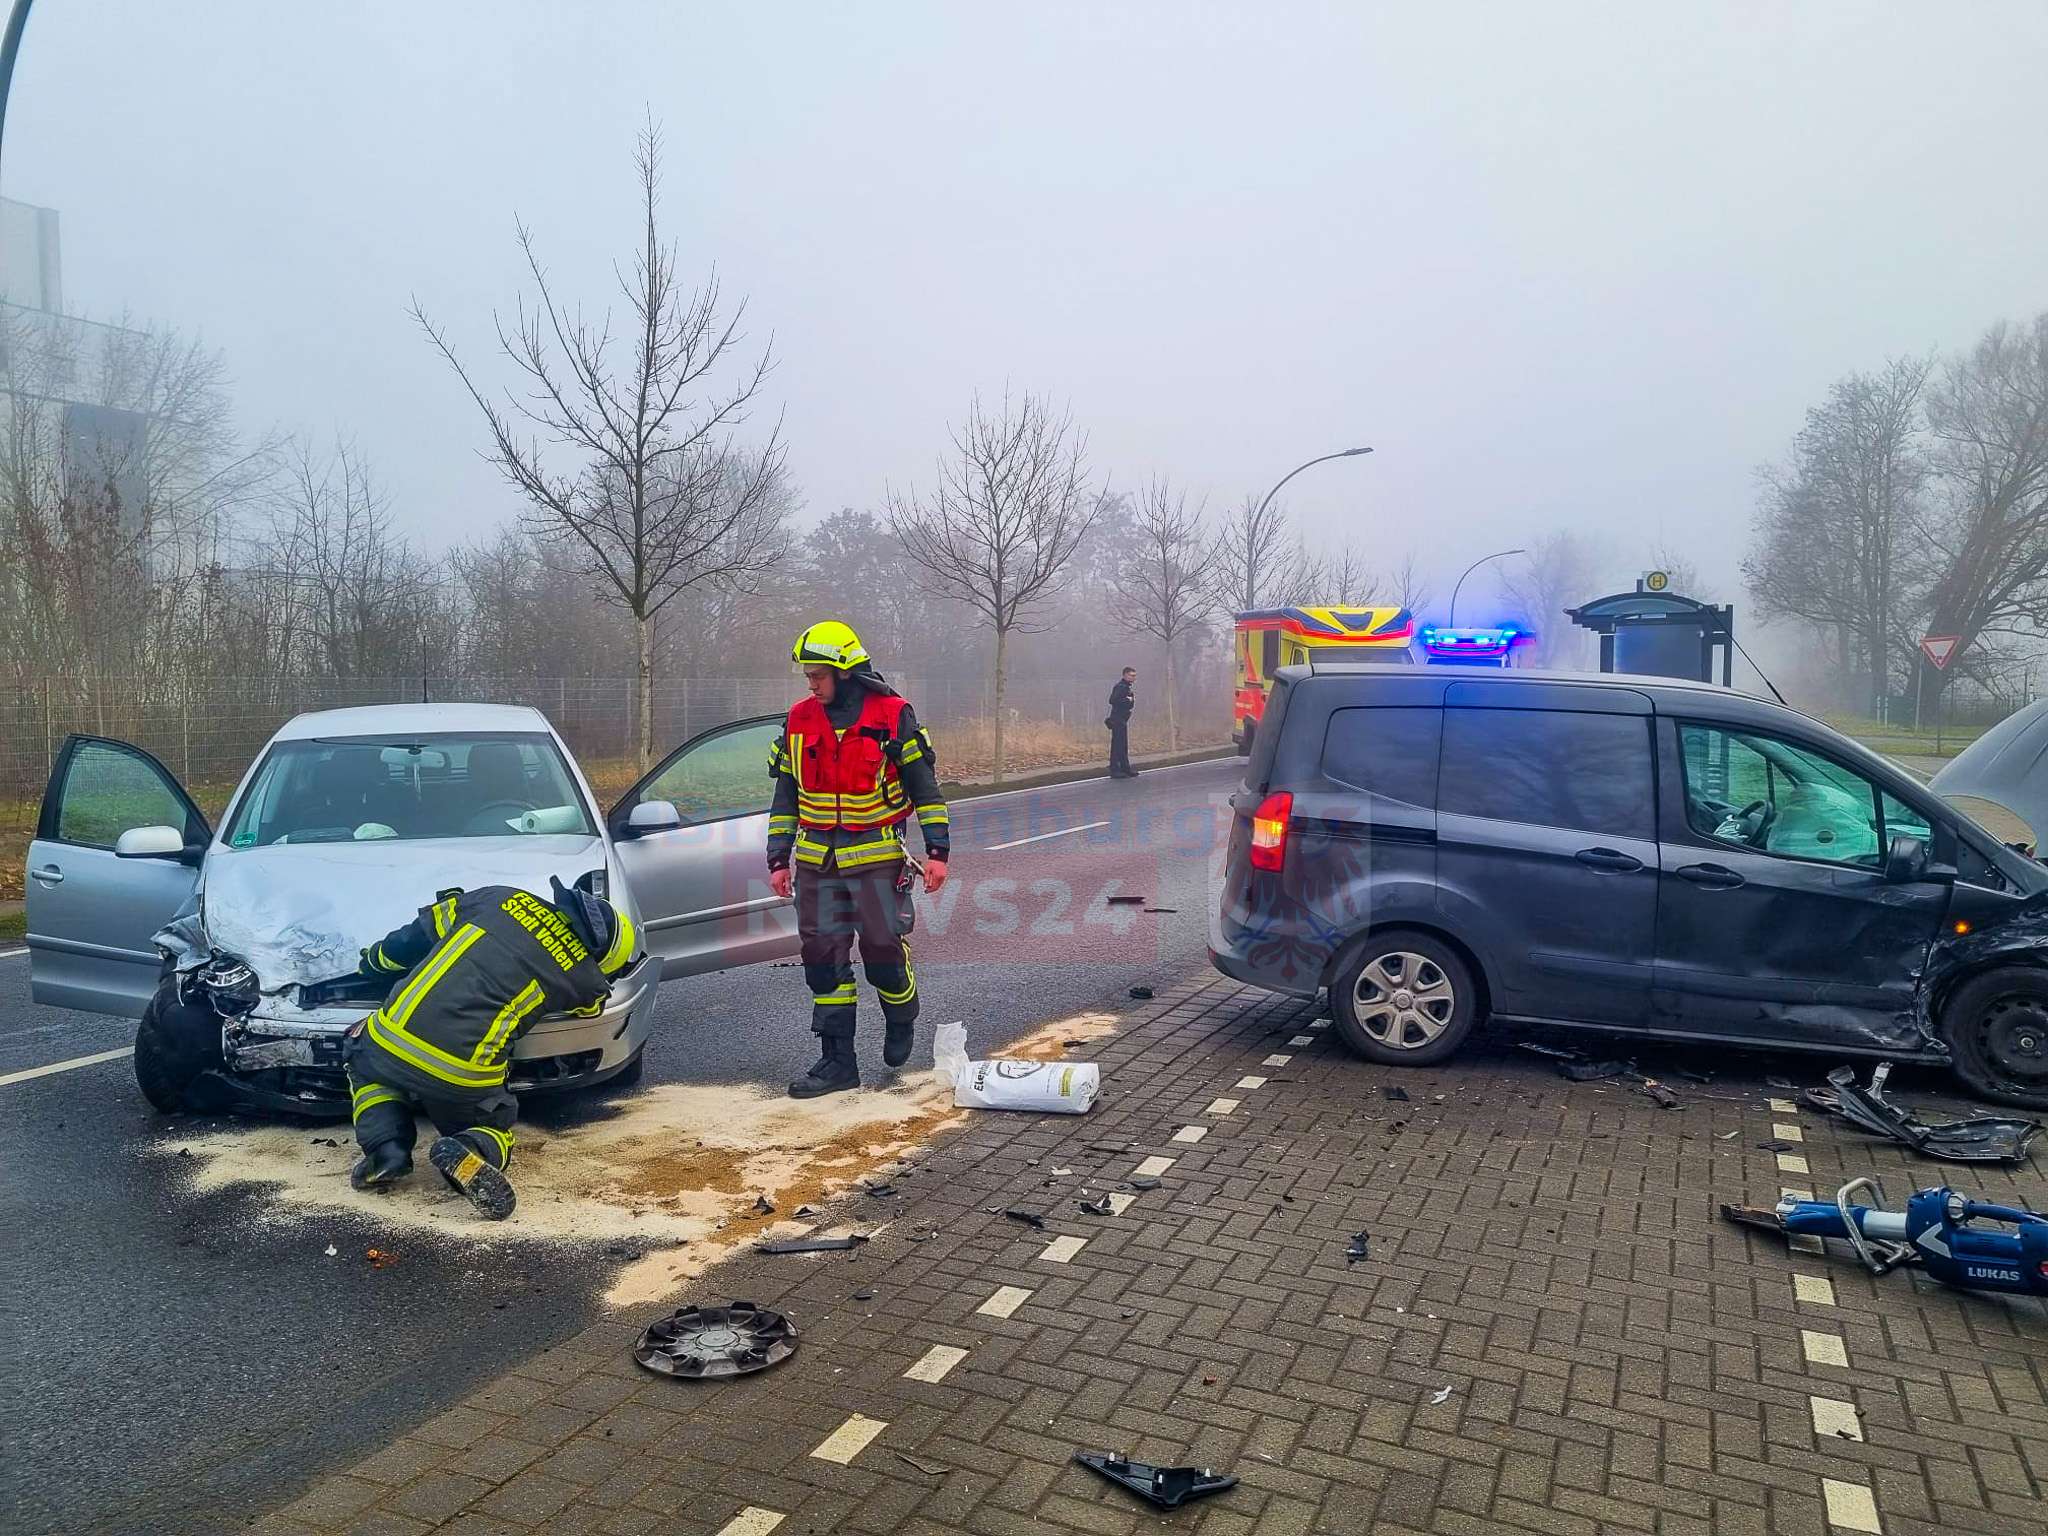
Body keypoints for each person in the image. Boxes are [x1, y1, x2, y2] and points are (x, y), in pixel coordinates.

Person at [346, 875, 639, 1219]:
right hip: (462, 1074)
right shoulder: (584, 978)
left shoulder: (499, 897)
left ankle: (387, 1150)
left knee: (363, 1065)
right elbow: (589, 1007)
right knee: (494, 1121)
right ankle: (471, 1148)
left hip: (391, 1041)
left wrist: (375, 961)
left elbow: (415, 936)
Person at [767, 621, 950, 1098]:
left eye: (818, 674)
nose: (811, 682)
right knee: (822, 958)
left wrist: (937, 852)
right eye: (807, 674)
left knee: (882, 949)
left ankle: (901, 1014)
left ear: (845, 672)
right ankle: (837, 1062)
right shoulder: (799, 720)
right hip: (816, 863)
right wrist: (778, 859)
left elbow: (925, 791)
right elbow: (785, 796)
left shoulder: (893, 715)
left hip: (876, 858)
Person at [1107, 666, 1138, 778]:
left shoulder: (1127, 687)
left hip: (1123, 719)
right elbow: (1112, 700)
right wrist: (1127, 700)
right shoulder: (1121, 687)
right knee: (1117, 745)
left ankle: (1125, 768)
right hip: (1117, 719)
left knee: (1123, 745)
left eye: (1134, 675)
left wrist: (1130, 700)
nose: (1134, 677)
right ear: (1125, 675)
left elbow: (1131, 704)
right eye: (1131, 675)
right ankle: (1115, 770)